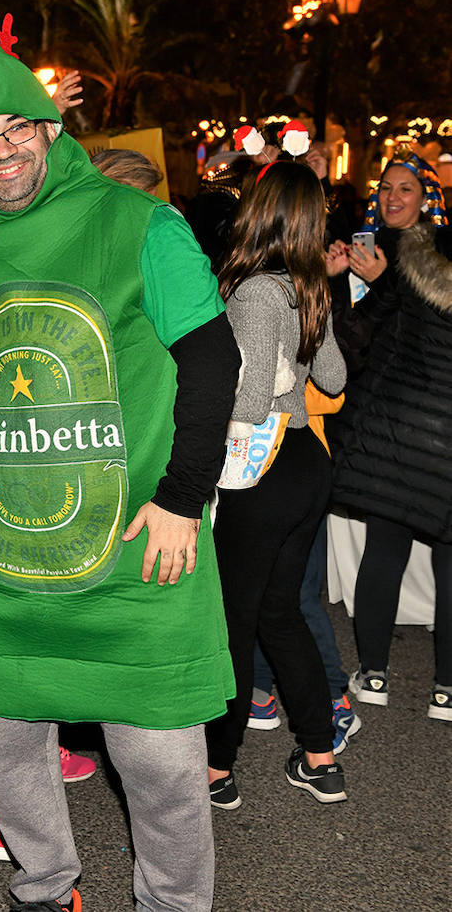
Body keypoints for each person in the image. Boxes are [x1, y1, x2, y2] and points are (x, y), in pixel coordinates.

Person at [0, 2, 238, 910]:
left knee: (159, 761)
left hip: (138, 544)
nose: (1, 151)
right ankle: (46, 884)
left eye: (17, 130)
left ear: (55, 133)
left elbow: (213, 360)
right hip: (13, 561)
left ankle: (174, 903)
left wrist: (182, 495)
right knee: (7, 746)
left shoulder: (139, 225)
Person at [205, 161, 349, 810]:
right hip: (305, 465)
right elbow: (337, 378)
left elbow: (253, 398)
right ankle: (320, 755)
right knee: (280, 611)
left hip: (258, 470)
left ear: (258, 211)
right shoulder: (308, 286)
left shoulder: (255, 292)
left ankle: (215, 768)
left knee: (234, 620)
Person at [330, 152, 452, 723]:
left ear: (427, 196)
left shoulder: (393, 260)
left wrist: (362, 287)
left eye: (406, 188)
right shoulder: (399, 251)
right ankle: (444, 691)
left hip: (397, 433)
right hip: (437, 435)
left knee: (387, 549)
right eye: (385, 189)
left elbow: (357, 341)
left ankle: (374, 674)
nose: (393, 198)